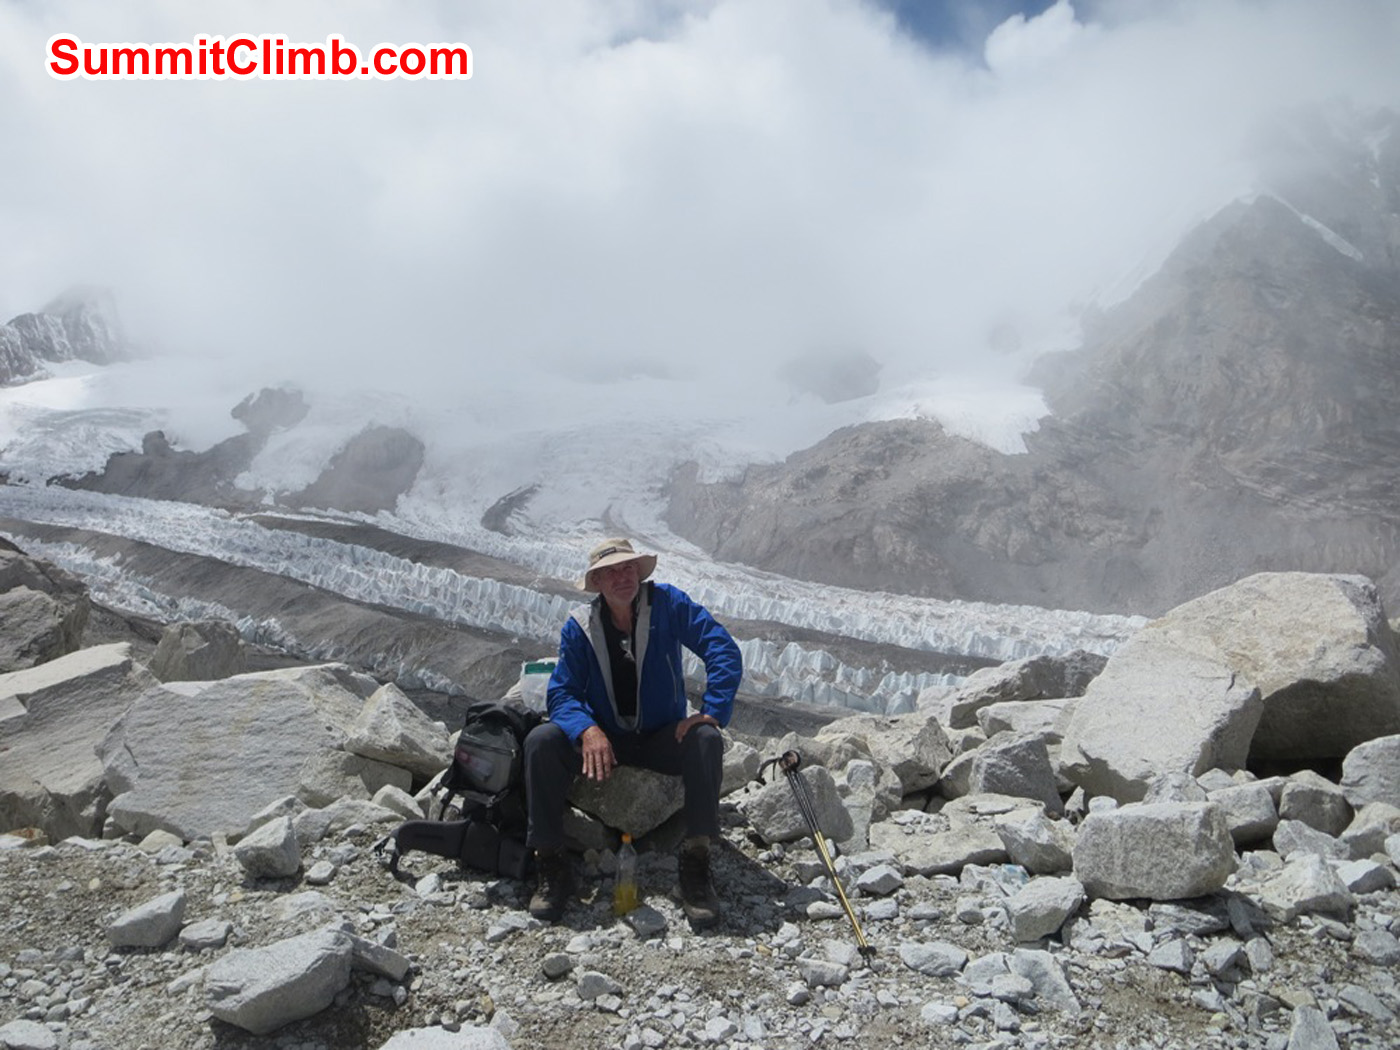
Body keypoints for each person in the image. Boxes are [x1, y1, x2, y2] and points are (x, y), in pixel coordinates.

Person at [524, 537, 743, 927]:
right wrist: (587, 729)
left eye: (627, 568)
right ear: (598, 582)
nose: (621, 577)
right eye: (611, 571)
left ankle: (695, 861)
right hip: (606, 741)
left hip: (661, 736)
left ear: (639, 573)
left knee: (707, 740)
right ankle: (550, 863)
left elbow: (721, 648)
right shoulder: (581, 628)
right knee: (541, 742)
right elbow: (561, 693)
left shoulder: (669, 605)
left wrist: (712, 711)